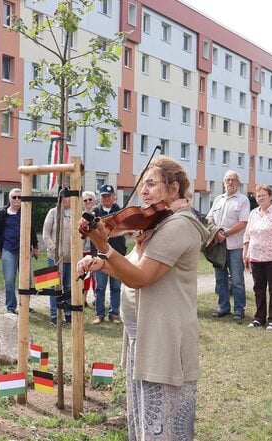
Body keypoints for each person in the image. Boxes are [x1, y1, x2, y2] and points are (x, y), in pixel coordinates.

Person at [76, 155, 202, 440]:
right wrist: (102, 262)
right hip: (143, 336)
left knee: (164, 428)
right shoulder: (156, 225)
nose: (143, 191)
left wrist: (104, 246)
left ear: (174, 189)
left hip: (164, 339)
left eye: (151, 183)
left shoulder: (178, 226)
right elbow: (130, 268)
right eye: (142, 184)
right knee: (144, 424)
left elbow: (140, 277)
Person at [242, 184, 272, 330]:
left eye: (263, 195)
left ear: (270, 196)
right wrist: (245, 252)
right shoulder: (253, 213)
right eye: (258, 196)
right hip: (256, 257)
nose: (260, 198)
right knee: (258, 288)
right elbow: (247, 234)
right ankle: (259, 318)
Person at [206, 170, 250, 321]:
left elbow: (243, 222)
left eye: (233, 180)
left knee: (237, 280)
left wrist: (226, 233)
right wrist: (217, 231)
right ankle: (223, 307)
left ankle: (239, 309)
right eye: (227, 180)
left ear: (238, 183)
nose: (230, 182)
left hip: (235, 247)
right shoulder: (218, 199)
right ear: (224, 183)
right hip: (219, 246)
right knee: (220, 278)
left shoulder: (243, 200)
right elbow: (209, 218)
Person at [0, 188, 39, 314]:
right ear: (9, 198)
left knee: (26, 280)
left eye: (20, 197)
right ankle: (11, 307)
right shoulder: (2, 214)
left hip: (24, 251)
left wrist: (35, 246)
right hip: (8, 249)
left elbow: (32, 230)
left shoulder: (27, 212)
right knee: (9, 280)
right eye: (14, 197)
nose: (17, 200)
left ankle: (25, 306)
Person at [91, 184, 126, 324]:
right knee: (100, 287)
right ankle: (99, 314)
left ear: (114, 196)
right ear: (100, 197)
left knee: (116, 287)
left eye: (109, 196)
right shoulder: (95, 211)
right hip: (100, 254)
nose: (106, 198)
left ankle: (114, 313)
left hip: (117, 253)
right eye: (104, 196)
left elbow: (125, 228)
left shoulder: (120, 211)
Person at [43, 195, 72, 326]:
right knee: (55, 287)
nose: (65, 199)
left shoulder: (76, 213)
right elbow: (46, 234)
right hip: (55, 258)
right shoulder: (53, 212)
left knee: (69, 287)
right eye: (63, 197)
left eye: (68, 197)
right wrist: (55, 250)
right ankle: (54, 316)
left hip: (71, 258)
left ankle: (68, 314)